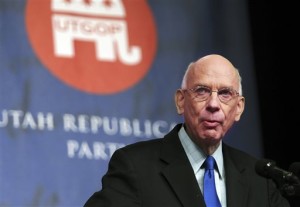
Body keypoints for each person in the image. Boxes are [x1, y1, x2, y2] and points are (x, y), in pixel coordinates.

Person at [83, 54, 290, 207]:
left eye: (225, 93)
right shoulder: (135, 166)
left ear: (239, 108)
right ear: (181, 101)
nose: (213, 104)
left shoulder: (262, 181)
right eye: (202, 91)